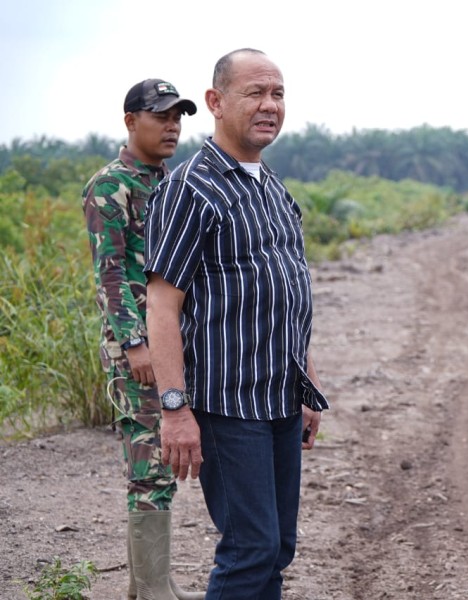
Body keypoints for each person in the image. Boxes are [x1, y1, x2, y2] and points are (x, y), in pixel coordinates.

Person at [144, 48, 329, 599]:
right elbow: (162, 306)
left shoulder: (272, 187)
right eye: (255, 93)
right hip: (226, 405)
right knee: (249, 547)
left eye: (277, 94)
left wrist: (306, 386)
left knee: (276, 548)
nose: (270, 105)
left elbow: (288, 293)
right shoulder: (189, 189)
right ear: (216, 102)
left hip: (277, 398)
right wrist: (175, 411)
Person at [82, 79, 204, 599]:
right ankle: (153, 590)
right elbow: (110, 275)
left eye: (178, 117)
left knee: (157, 461)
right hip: (139, 348)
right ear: (131, 121)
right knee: (150, 466)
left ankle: (149, 587)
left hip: (170, 340)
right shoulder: (111, 186)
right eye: (161, 117)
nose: (172, 126)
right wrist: (135, 346)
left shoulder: (170, 183)